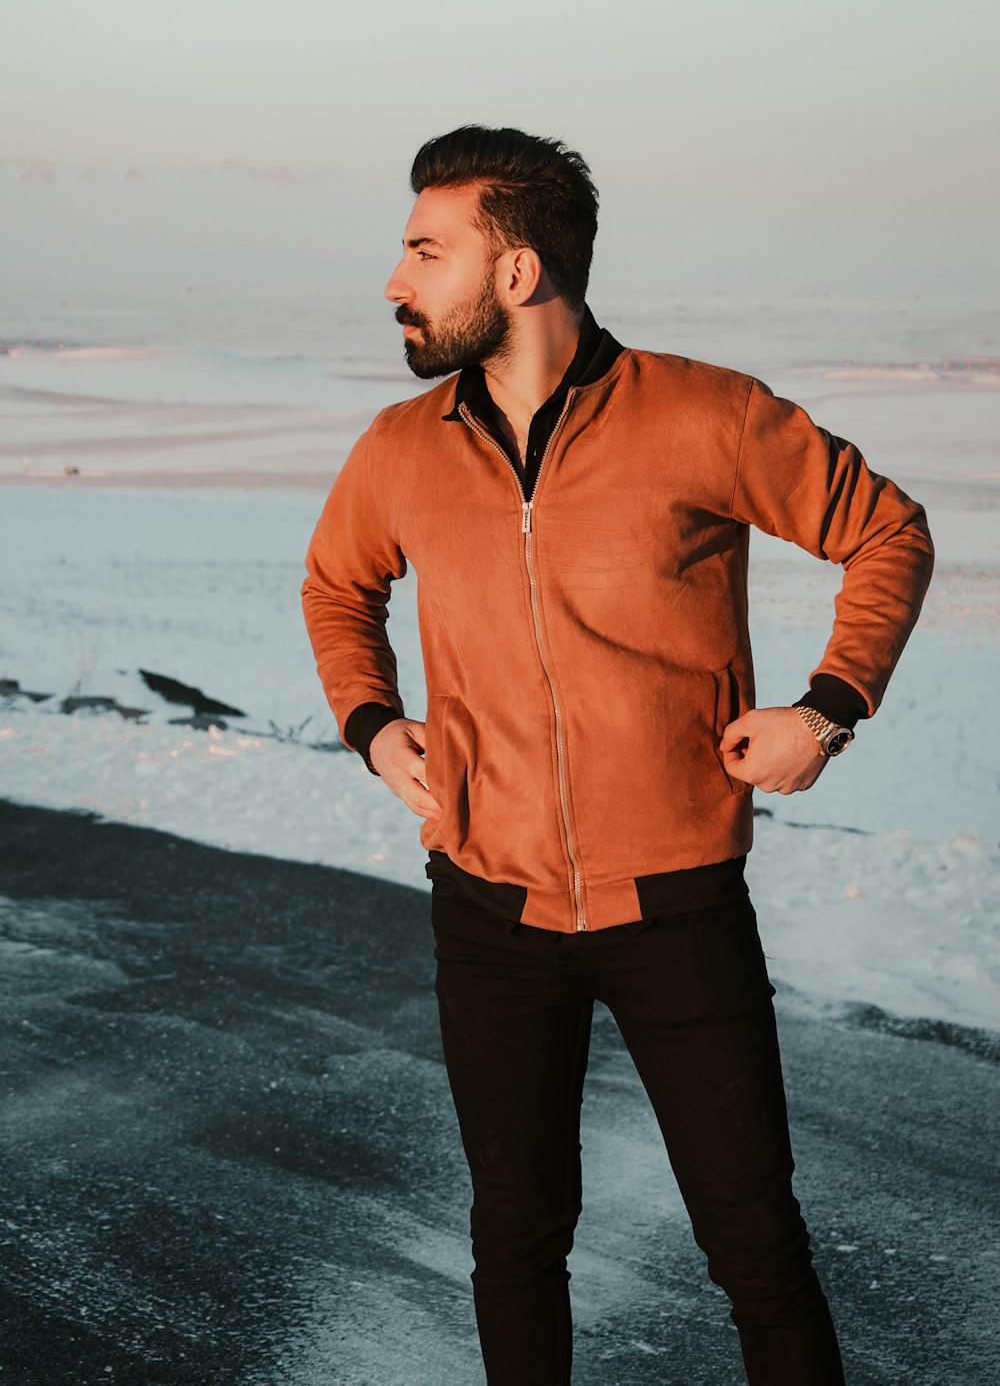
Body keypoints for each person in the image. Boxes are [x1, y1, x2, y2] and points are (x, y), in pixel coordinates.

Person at [301, 125, 934, 1385]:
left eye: (427, 251)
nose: (394, 282)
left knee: (754, 1242)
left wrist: (825, 708)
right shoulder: (400, 446)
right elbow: (335, 588)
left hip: (678, 907)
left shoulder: (706, 414)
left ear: (519, 271)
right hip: (487, 909)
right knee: (515, 1240)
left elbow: (886, 532)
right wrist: (374, 726)